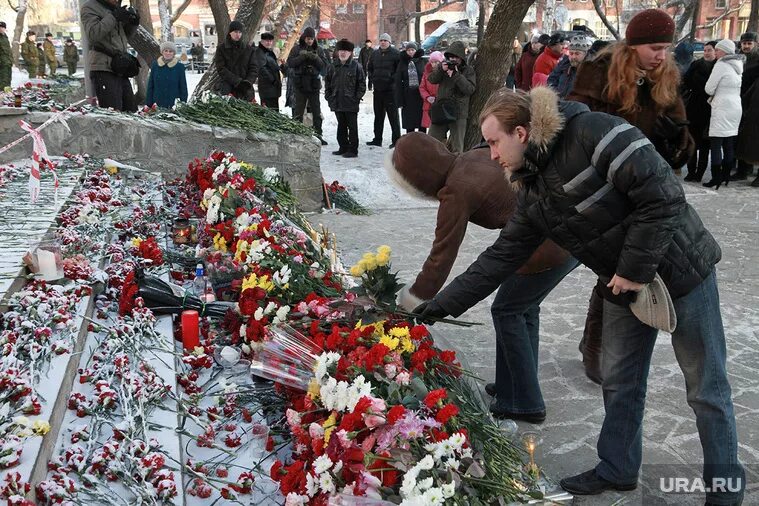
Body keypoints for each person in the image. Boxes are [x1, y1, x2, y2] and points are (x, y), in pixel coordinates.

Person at [414, 86, 744, 505]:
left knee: (705, 389)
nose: (491, 154)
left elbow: (663, 198)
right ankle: (617, 469)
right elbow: (499, 258)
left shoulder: (596, 132)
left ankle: (724, 490)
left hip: (682, 272)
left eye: (495, 142)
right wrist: (435, 308)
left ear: (522, 132)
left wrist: (632, 269)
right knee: (620, 381)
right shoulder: (532, 191)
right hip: (621, 287)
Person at [389, 132, 575, 422]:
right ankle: (513, 385)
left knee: (507, 310)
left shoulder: (455, 190)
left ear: (418, 180)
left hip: (545, 245)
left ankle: (526, 402)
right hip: (562, 232)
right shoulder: (471, 157)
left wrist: (412, 303)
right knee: (523, 308)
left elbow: (441, 257)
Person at [568, 9, 694, 382]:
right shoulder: (597, 73)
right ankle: (597, 349)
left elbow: (684, 149)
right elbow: (576, 132)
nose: (661, 55)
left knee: (623, 273)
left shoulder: (665, 78)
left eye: (666, 48)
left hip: (650, 192)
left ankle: (605, 349)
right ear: (634, 45)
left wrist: (676, 140)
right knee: (611, 272)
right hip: (606, 191)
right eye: (655, 47)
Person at [81, 0, 140, 111]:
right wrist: (114, 16)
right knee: (113, 112)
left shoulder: (113, 7)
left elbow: (124, 37)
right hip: (103, 68)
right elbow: (93, 34)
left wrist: (132, 23)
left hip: (120, 66)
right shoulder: (90, 7)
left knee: (131, 110)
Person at [702, 39, 743, 190]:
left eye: (718, 50)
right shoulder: (738, 65)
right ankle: (726, 175)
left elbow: (709, 88)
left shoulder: (721, 65)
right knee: (728, 143)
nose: (716, 52)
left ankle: (716, 177)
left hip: (722, 107)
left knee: (716, 144)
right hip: (735, 107)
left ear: (724, 51)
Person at [427, 41, 476, 153]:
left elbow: (469, 89)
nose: (453, 60)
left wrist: (456, 75)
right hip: (441, 110)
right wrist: (441, 70)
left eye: (456, 57)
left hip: (459, 112)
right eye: (451, 57)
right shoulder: (443, 67)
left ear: (461, 58)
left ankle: (457, 169)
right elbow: (431, 79)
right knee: (430, 141)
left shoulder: (468, 70)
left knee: (457, 147)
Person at [325, 39, 365, 158]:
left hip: (351, 102)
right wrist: (329, 97)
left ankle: (353, 150)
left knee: (352, 127)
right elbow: (327, 83)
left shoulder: (356, 67)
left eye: (346, 51)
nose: (343, 53)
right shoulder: (332, 66)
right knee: (341, 125)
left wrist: (356, 98)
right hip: (337, 101)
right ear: (338, 52)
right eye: (341, 50)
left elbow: (362, 84)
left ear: (350, 53)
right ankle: (343, 147)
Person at [682, 41, 716, 183]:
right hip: (694, 107)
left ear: (716, 52)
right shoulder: (696, 65)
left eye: (710, 50)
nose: (707, 53)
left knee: (704, 144)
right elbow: (686, 81)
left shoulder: (718, 67)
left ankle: (699, 173)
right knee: (693, 142)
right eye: (705, 50)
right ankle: (691, 171)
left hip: (710, 109)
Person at [287, 26, 328, 145]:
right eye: (308, 38)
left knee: (316, 110)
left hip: (314, 84)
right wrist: (302, 57)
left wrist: (316, 58)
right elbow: (290, 63)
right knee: (298, 110)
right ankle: (297, 134)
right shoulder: (296, 49)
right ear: (304, 37)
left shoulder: (319, 50)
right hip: (299, 83)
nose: (309, 41)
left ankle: (318, 135)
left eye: (311, 38)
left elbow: (324, 67)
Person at [367, 33, 401, 148]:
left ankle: (396, 140)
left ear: (389, 42)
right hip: (378, 90)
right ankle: (377, 139)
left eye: (385, 40)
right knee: (378, 116)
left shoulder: (396, 54)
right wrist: (373, 79)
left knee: (393, 117)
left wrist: (392, 81)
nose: (383, 42)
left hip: (391, 91)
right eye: (381, 40)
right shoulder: (374, 54)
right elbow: (370, 68)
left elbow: (399, 71)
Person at [733, 31, 759, 182]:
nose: (746, 46)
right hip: (739, 102)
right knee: (741, 138)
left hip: (754, 105)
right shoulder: (738, 59)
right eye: (744, 43)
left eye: (749, 43)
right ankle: (742, 169)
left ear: (755, 44)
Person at [214, 20, 258, 102]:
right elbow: (221, 68)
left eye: (240, 32)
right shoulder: (221, 49)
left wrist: (247, 82)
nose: (238, 34)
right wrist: (237, 81)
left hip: (245, 89)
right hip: (227, 88)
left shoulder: (249, 49)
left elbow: (254, 68)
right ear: (230, 32)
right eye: (235, 32)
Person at [145, 41, 187, 109]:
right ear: (162, 52)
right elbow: (151, 85)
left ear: (174, 53)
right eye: (166, 51)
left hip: (173, 104)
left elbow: (183, 87)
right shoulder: (155, 65)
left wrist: (182, 103)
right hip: (157, 103)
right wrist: (148, 103)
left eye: (170, 51)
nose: (168, 53)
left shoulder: (179, 67)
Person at [395, 42, 425, 133]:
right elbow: (398, 82)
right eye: (408, 50)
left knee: (421, 121)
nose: (411, 52)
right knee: (409, 122)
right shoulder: (402, 63)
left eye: (412, 50)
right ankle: (411, 141)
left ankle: (422, 141)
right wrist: (399, 100)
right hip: (408, 95)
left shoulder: (422, 61)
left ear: (416, 50)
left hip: (420, 95)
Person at [255, 32, 283, 110]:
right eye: (267, 41)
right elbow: (262, 69)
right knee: (268, 114)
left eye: (270, 41)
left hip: (273, 89)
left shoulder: (269, 52)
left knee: (274, 112)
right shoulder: (259, 52)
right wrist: (273, 80)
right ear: (262, 41)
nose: (269, 43)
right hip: (267, 89)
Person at [419, 51, 443, 131]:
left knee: (440, 127)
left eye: (437, 62)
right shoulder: (426, 73)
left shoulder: (444, 73)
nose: (435, 64)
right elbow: (422, 87)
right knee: (429, 126)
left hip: (440, 102)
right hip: (428, 103)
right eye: (432, 62)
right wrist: (427, 97)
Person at [0, 22, 11, 89]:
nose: (1, 29)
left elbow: (9, 49)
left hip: (8, 61)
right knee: (2, 80)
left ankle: (7, 94)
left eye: (2, 27)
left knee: (8, 79)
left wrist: (11, 60)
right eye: (0, 27)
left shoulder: (5, 37)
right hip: (2, 62)